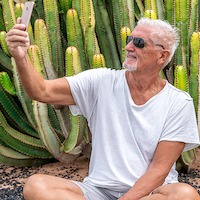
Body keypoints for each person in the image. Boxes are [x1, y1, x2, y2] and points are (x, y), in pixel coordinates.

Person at [6, 17, 200, 200]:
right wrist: (21, 57)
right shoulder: (100, 82)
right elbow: (42, 91)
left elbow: (159, 170)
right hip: (98, 191)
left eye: (139, 43)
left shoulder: (178, 102)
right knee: (36, 185)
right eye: (129, 39)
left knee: (185, 195)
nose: (128, 47)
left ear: (162, 55)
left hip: (150, 193)